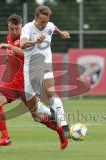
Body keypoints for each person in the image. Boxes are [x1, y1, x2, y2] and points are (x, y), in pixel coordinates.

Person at [0, 14, 68, 150]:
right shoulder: (10, 38)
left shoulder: (26, 37)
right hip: (12, 83)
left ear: (22, 27)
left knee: (37, 117)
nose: (15, 32)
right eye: (12, 29)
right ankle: (5, 137)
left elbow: (24, 52)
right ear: (8, 28)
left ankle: (61, 132)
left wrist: (9, 46)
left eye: (17, 29)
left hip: (27, 83)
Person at [20, 5, 71, 140]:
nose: (45, 24)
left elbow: (54, 29)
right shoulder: (27, 28)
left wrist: (62, 34)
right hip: (30, 69)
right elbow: (22, 44)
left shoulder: (50, 25)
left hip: (45, 65)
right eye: (42, 22)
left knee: (50, 91)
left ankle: (65, 124)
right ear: (36, 18)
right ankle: (50, 112)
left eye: (46, 21)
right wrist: (35, 41)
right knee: (33, 108)